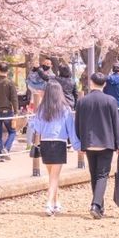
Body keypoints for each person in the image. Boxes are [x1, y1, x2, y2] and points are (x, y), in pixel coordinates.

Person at [75, 72, 119, 219]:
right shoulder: (110, 100)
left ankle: (99, 206)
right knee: (102, 175)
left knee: (94, 174)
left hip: (89, 143)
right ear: (105, 84)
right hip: (106, 142)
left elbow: (78, 124)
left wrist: (81, 142)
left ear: (91, 83)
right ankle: (96, 205)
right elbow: (116, 124)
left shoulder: (82, 101)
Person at [31, 81, 81, 215]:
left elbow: (37, 128)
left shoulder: (41, 110)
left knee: (52, 175)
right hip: (59, 143)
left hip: (45, 143)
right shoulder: (65, 109)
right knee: (54, 177)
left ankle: (56, 202)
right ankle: (48, 204)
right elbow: (71, 130)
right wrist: (77, 146)